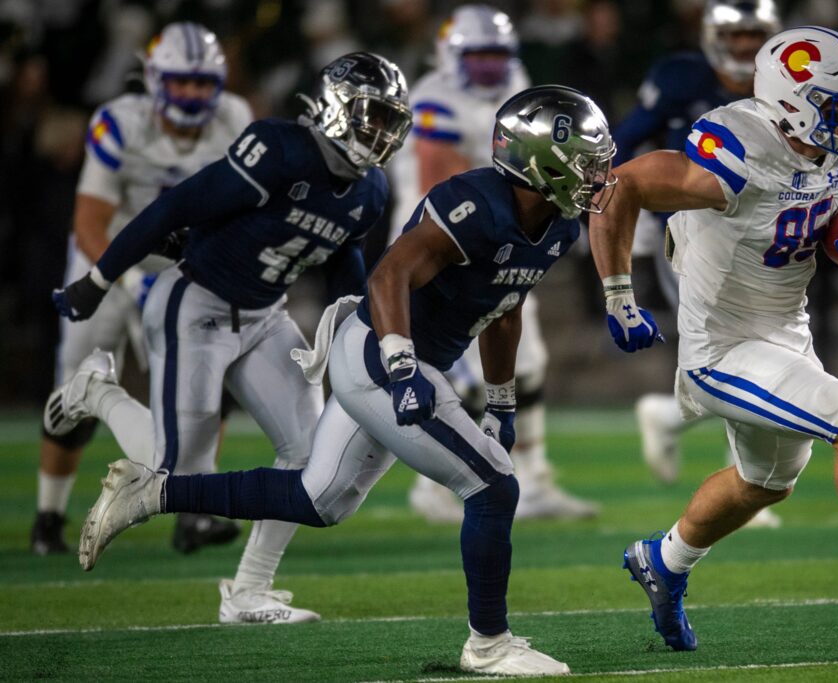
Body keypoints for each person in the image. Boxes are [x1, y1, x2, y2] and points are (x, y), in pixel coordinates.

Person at [74, 84, 618, 676]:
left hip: (408, 359)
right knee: (492, 485)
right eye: (587, 160)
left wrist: (503, 401)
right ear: (541, 159)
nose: (598, 173)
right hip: (383, 350)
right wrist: (403, 368)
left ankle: (150, 492)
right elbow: (387, 277)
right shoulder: (474, 203)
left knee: (318, 499)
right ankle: (488, 642)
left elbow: (505, 306)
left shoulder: (559, 224)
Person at [587, 26, 838, 651]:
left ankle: (664, 561)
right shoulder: (738, 147)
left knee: (765, 482)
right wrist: (618, 295)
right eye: (836, 104)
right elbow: (617, 188)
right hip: (722, 345)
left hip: (786, 330)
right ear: (792, 99)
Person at [50, 52, 412, 624]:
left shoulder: (371, 190)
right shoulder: (279, 148)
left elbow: (345, 265)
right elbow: (175, 205)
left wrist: (362, 337)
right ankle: (97, 390)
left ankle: (248, 592)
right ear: (339, 110)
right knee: (180, 475)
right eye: (371, 117)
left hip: (267, 314)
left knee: (309, 455)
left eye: (390, 122)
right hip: (195, 301)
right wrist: (98, 280)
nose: (380, 133)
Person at [32, 22, 253, 556]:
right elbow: (88, 220)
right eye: (182, 82)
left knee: (203, 384)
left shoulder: (236, 121)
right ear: (154, 78)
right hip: (106, 260)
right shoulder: (119, 123)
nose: (194, 94)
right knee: (72, 392)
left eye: (203, 83)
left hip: (185, 267)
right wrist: (125, 275)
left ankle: (193, 512)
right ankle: (48, 516)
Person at [390, 4, 596, 522]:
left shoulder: (519, 84)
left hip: (506, 239)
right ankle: (431, 485)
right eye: (477, 55)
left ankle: (534, 477)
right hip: (447, 244)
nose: (488, 66)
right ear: (449, 54)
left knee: (527, 364)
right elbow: (443, 172)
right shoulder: (434, 97)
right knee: (455, 376)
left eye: (496, 55)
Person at [617, 2, 784, 524]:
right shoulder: (680, 76)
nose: (742, 47)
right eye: (735, 36)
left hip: (766, 227)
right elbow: (625, 139)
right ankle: (748, 478)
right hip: (691, 226)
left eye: (753, 35)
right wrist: (616, 201)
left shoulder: (784, 84)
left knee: (763, 346)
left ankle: (670, 418)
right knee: (742, 345)